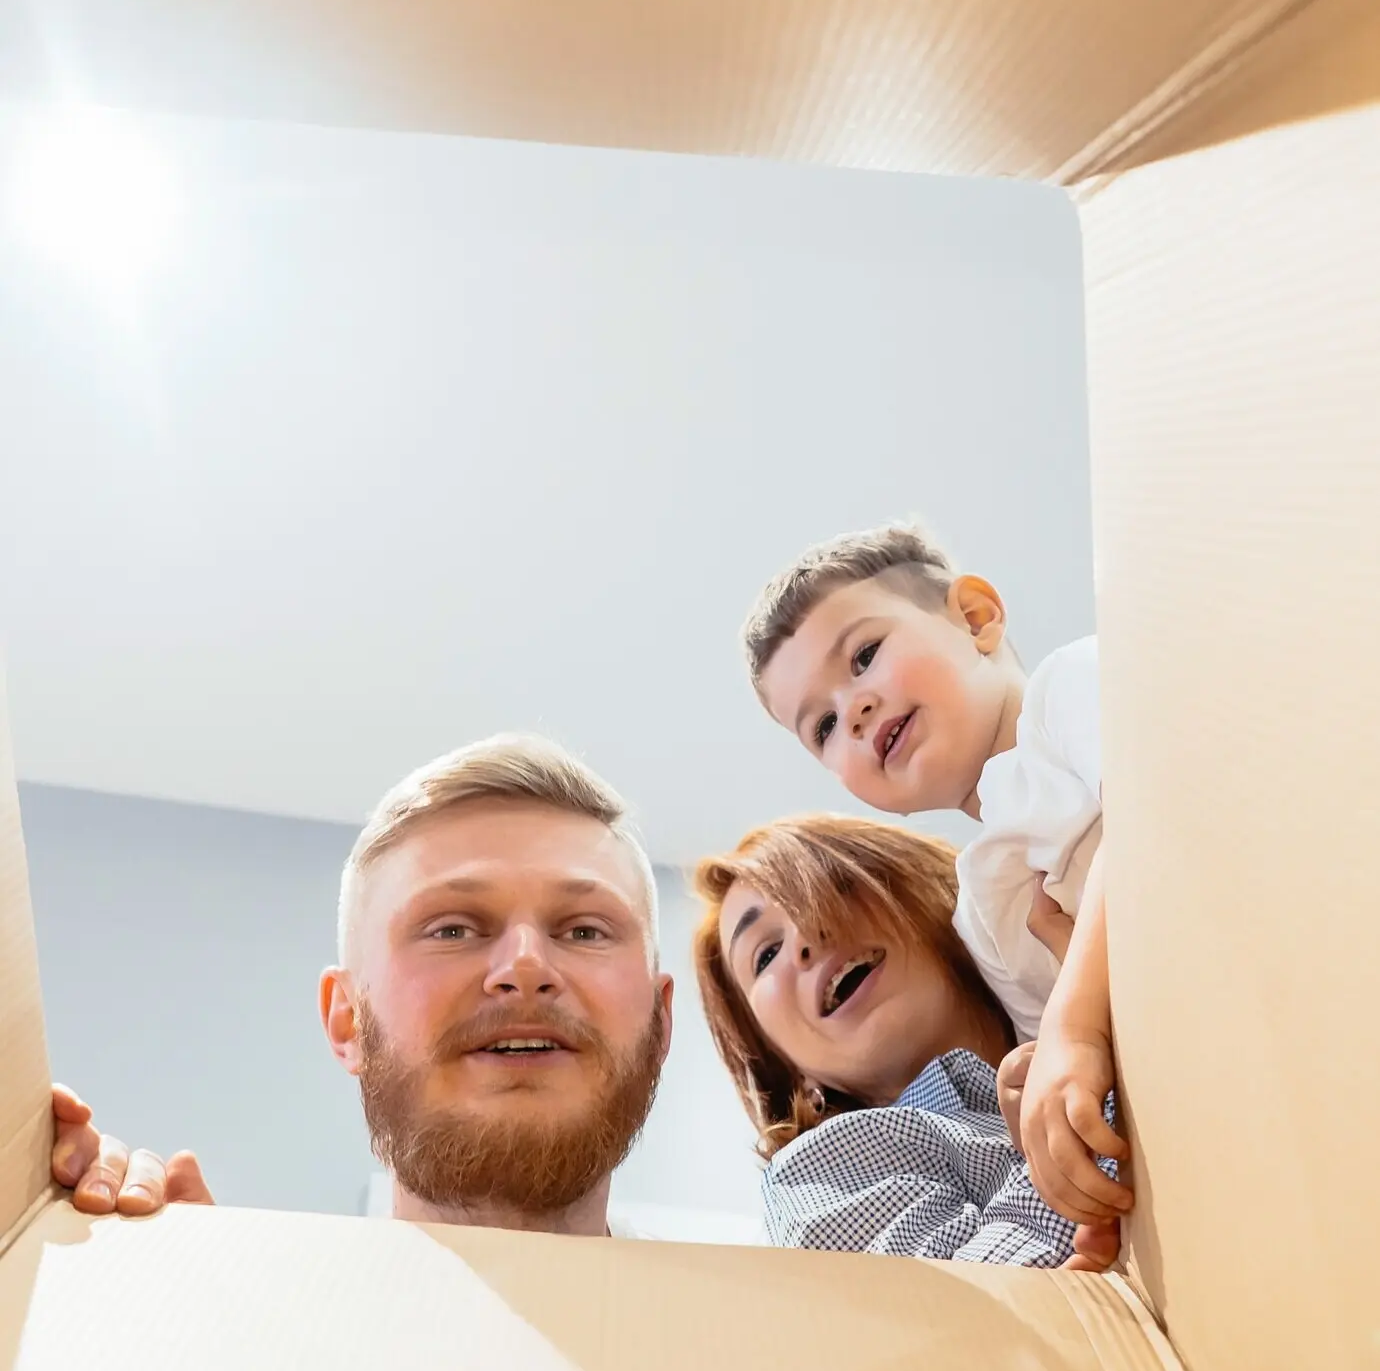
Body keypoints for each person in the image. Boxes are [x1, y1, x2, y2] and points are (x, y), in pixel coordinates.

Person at [51, 735, 672, 1237]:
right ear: (347, 1019)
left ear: (661, 1021)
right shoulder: (233, 1335)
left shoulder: (764, 1360)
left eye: (586, 932)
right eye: (453, 929)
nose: (525, 967)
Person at [739, 521, 1128, 1237]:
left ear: (976, 619)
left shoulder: (1074, 687)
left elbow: (1155, 819)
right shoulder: (982, 909)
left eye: (863, 656)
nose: (850, 711)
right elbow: (1093, 1070)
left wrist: (1072, 1031)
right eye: (821, 727)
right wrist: (1041, 1099)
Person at [692, 813, 1115, 1270]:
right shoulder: (817, 1177)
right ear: (792, 1070)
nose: (803, 939)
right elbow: (974, 1308)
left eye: (827, 887)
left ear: (915, 896)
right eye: (766, 954)